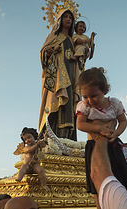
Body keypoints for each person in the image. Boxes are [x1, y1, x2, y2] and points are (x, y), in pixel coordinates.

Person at [76, 67, 127, 209]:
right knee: (96, 178)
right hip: (94, 146)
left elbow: (123, 122)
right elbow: (80, 124)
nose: (89, 100)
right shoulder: (84, 107)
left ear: (105, 91)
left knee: (123, 173)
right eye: (85, 96)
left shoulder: (114, 104)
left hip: (113, 143)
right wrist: (99, 128)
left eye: (94, 95)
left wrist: (115, 133)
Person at [39, 9, 80, 140]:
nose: (68, 19)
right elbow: (44, 53)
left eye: (70, 17)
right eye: (65, 17)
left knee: (69, 107)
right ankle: (51, 138)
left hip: (71, 77)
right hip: (57, 78)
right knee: (56, 104)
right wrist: (49, 51)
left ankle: (66, 139)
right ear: (59, 20)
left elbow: (81, 56)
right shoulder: (54, 37)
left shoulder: (73, 40)